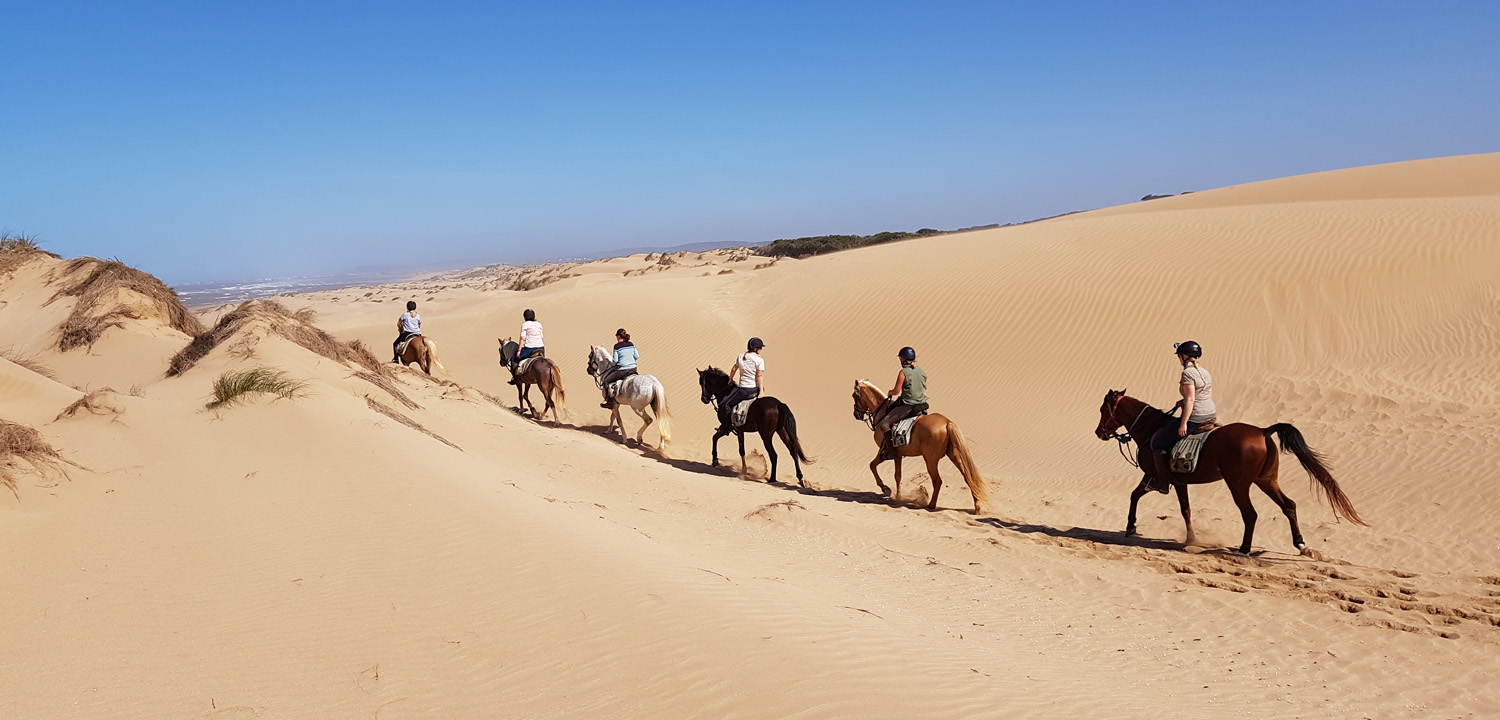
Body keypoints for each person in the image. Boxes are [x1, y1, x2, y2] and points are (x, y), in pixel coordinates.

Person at [1147, 340, 1217, 493]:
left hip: (1196, 417)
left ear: (1185, 356)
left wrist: (1183, 423)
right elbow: (1202, 394)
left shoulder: (1187, 373)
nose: (1179, 359)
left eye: (1179, 356)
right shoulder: (1205, 372)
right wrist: (1183, 400)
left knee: (1158, 443)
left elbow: (1192, 399)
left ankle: (1163, 483)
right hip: (1210, 413)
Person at [876, 346, 929, 459]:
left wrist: (890, 392)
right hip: (922, 404)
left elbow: (896, 391)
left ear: (904, 359)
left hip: (908, 405)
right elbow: (925, 387)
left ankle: (891, 452)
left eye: (900, 358)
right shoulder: (921, 371)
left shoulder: (903, 372)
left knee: (884, 423)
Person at [719, 337, 765, 428]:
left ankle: (728, 426)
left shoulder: (741, 356)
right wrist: (761, 391)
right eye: (760, 348)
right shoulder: (759, 360)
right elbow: (759, 376)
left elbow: (734, 369)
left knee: (725, 405)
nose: (761, 350)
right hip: (754, 389)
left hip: (743, 389)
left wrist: (730, 380)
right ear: (756, 349)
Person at [600, 328, 638, 408]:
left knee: (606, 381)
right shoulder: (631, 344)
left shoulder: (617, 346)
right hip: (633, 369)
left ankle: (609, 402)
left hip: (623, 370)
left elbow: (615, 361)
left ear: (618, 336)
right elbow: (637, 356)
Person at [507, 308, 545, 384]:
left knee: (514, 359)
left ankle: (515, 378)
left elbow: (522, 338)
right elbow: (541, 336)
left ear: (525, 317)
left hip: (529, 348)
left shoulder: (525, 324)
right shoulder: (539, 324)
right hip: (541, 348)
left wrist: (519, 351)